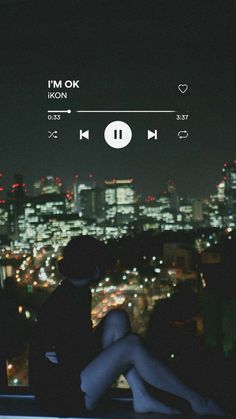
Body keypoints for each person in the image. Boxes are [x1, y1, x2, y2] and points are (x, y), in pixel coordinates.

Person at [29, 236, 225, 416]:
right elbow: (67, 358)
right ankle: (197, 400)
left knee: (117, 318)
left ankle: (141, 397)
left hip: (68, 382)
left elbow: (72, 350)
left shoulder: (75, 292)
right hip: (66, 398)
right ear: (96, 269)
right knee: (131, 345)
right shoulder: (65, 302)